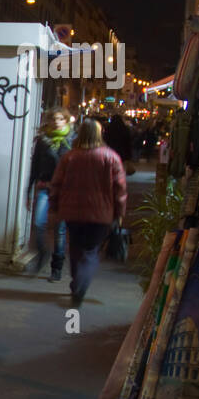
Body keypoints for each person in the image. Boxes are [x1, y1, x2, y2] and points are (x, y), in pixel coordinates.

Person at [49, 118, 127, 307]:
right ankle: (80, 286)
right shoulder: (111, 157)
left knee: (75, 248)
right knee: (91, 251)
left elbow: (56, 184)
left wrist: (55, 206)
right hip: (101, 214)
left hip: (72, 213)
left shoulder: (70, 157)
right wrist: (120, 212)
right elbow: (120, 189)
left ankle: (76, 283)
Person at [26, 108, 74, 282]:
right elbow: (35, 166)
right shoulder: (43, 141)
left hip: (64, 189)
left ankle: (57, 267)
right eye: (54, 119)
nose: (56, 122)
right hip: (45, 186)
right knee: (39, 223)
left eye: (60, 119)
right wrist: (29, 190)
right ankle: (42, 253)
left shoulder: (72, 140)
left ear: (66, 121)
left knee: (60, 230)